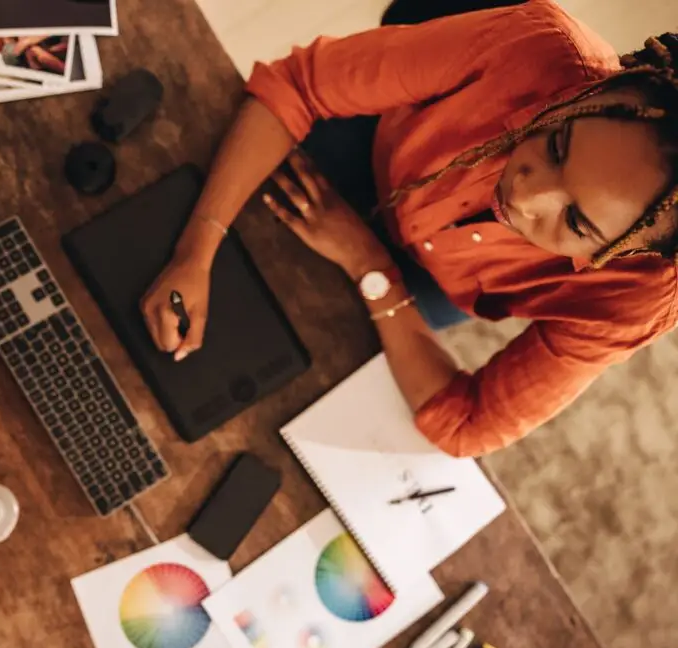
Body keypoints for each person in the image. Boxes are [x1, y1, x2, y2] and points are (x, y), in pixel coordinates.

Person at [140, 0, 678, 458]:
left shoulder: (637, 299)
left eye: (576, 221)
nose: (525, 194)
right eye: (557, 143)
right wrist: (196, 248)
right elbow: (297, 86)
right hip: (368, 154)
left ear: (622, 256)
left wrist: (371, 266)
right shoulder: (531, 45)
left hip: (432, 285)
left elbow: (468, 425)